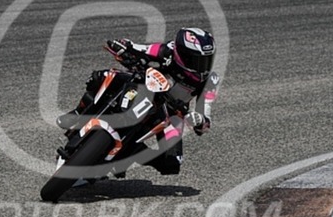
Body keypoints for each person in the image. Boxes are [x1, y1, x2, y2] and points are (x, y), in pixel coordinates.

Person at [56, 27, 219, 175]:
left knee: (172, 163)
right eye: (196, 60)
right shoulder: (167, 50)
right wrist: (123, 46)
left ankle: (129, 153)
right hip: (145, 87)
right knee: (102, 76)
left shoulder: (209, 81)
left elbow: (205, 119)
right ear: (180, 54)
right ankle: (78, 113)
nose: (202, 67)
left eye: (207, 60)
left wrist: (199, 120)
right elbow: (139, 48)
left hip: (172, 112)